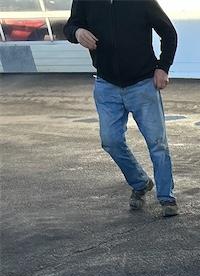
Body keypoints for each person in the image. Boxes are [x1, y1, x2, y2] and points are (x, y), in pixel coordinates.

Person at [65, 1, 179, 217]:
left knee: (157, 143)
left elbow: (168, 32)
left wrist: (163, 67)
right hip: (106, 85)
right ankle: (140, 182)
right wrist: (77, 32)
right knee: (111, 141)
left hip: (143, 84)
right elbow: (70, 26)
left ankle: (166, 197)